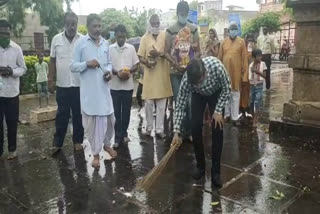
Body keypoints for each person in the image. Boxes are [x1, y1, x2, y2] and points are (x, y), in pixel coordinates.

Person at [171, 57, 231, 188]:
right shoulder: (188, 79)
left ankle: (216, 172)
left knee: (217, 127)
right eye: (195, 83)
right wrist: (177, 132)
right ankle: (200, 167)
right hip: (198, 96)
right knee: (195, 126)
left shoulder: (217, 67)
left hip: (216, 93)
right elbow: (180, 105)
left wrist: (218, 111)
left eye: (200, 81)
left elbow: (227, 88)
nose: (199, 84)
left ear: (204, 71)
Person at [71, 13, 117, 168]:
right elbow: (73, 66)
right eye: (94, 26)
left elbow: (109, 63)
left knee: (110, 121)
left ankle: (106, 144)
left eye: (99, 26)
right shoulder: (81, 43)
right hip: (89, 94)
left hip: (104, 91)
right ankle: (96, 154)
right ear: (88, 26)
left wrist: (109, 72)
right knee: (92, 126)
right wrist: (87, 63)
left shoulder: (105, 43)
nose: (98, 29)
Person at [48, 11, 84, 151]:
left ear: (77, 24)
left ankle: (78, 141)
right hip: (62, 84)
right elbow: (52, 60)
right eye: (69, 24)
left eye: (74, 24)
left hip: (78, 84)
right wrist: (50, 78)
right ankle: (58, 143)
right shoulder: (56, 39)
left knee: (78, 114)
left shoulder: (83, 40)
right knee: (62, 114)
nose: (71, 27)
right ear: (64, 24)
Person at [164, 1, 200, 140]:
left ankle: (189, 131)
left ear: (188, 13)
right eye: (181, 14)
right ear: (177, 13)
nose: (183, 16)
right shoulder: (170, 30)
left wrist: (191, 63)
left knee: (190, 103)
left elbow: (198, 51)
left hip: (190, 72)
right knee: (180, 102)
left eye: (185, 14)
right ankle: (179, 131)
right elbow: (166, 52)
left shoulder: (194, 29)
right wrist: (175, 63)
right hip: (175, 73)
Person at [138, 14, 173, 138]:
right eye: (153, 23)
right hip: (149, 75)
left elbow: (169, 52)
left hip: (162, 75)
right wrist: (147, 62)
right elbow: (140, 56)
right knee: (148, 103)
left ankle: (159, 130)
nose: (155, 25)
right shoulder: (144, 38)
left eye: (157, 23)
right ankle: (149, 127)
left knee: (162, 104)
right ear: (149, 24)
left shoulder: (165, 35)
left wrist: (159, 53)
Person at [0, 19, 27, 160]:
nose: (4, 35)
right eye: (1, 32)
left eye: (6, 33)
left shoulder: (16, 48)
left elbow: (23, 68)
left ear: (9, 33)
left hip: (12, 93)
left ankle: (12, 150)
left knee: (12, 123)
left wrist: (12, 72)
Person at [109, 25, 139, 148]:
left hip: (128, 86)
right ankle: (117, 137)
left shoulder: (131, 48)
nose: (121, 39)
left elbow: (136, 64)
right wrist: (117, 73)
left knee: (126, 112)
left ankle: (124, 133)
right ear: (115, 36)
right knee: (116, 113)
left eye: (123, 36)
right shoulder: (110, 49)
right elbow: (107, 65)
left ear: (125, 36)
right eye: (119, 36)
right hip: (114, 86)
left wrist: (129, 72)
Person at [218, 22, 248, 125]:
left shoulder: (241, 42)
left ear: (237, 30)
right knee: (226, 94)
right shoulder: (223, 42)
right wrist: (219, 74)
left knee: (235, 94)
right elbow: (220, 58)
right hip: (225, 73)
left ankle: (235, 117)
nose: (233, 31)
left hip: (237, 73)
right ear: (228, 30)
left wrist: (245, 75)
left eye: (235, 29)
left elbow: (244, 59)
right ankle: (227, 115)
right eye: (231, 29)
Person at [249, 49, 267, 127]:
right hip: (252, 86)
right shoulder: (250, 65)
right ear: (253, 57)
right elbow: (249, 76)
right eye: (258, 56)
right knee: (251, 102)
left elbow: (265, 75)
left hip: (259, 86)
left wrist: (257, 71)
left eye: (260, 56)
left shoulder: (263, 64)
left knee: (257, 102)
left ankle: (255, 119)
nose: (260, 57)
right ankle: (253, 116)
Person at [240, 33, 255, 120]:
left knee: (248, 90)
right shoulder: (242, 48)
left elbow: (254, 60)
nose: (249, 41)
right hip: (242, 72)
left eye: (250, 40)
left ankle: (246, 106)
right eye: (247, 39)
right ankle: (242, 107)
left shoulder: (253, 48)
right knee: (242, 89)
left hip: (249, 72)